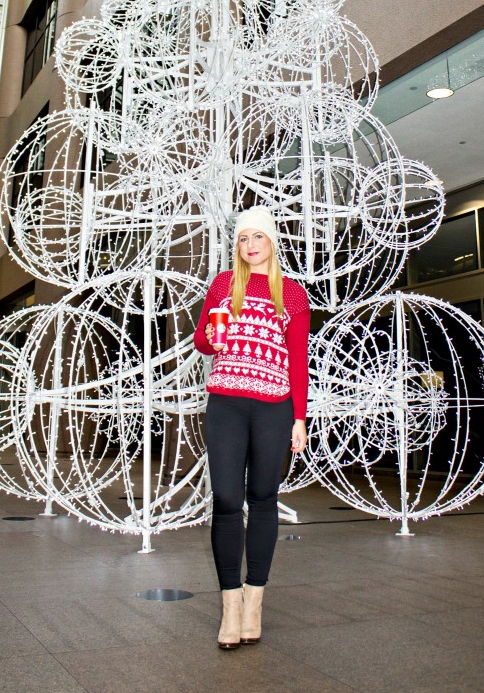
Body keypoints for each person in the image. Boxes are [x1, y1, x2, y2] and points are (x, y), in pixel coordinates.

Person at [194, 205, 310, 649]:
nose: (250, 245)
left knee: (264, 498)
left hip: (274, 407)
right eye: (244, 239)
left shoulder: (293, 295)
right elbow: (202, 339)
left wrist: (300, 417)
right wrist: (212, 337)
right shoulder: (224, 285)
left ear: (272, 242)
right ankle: (230, 605)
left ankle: (254, 602)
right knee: (226, 497)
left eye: (258, 237)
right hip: (226, 401)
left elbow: (297, 360)